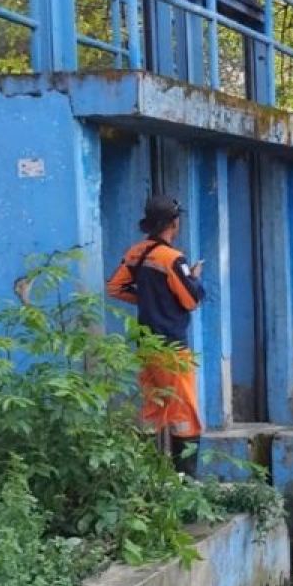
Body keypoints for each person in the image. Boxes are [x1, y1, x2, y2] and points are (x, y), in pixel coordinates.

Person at [107, 196, 206, 473]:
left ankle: (147, 479)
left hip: (147, 346)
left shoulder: (137, 252)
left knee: (153, 411)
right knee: (185, 415)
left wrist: (148, 301)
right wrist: (195, 278)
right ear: (174, 223)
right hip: (173, 349)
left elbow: (115, 287)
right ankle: (185, 485)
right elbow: (191, 301)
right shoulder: (173, 259)